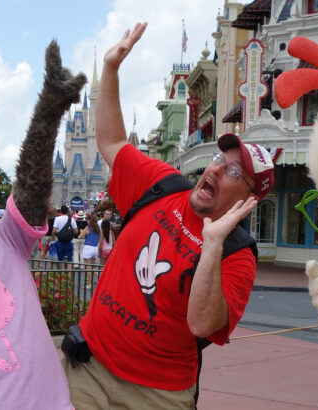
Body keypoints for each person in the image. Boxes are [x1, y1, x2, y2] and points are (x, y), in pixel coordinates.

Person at [62, 22, 275, 409]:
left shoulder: (237, 256)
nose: (214, 169)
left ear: (247, 200)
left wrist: (211, 246)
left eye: (232, 172)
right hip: (89, 368)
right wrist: (111, 70)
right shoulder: (161, 183)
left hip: (156, 394)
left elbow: (202, 324)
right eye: (217, 159)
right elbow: (111, 142)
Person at [78, 214, 101, 286]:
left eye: (87, 220)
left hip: (88, 247)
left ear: (89, 220)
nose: (86, 221)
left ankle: (90, 284)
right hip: (95, 248)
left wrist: (84, 235)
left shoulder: (87, 228)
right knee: (92, 267)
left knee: (88, 267)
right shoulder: (98, 228)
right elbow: (99, 239)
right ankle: (100, 279)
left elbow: (79, 237)